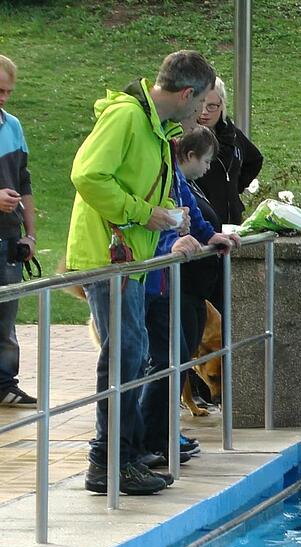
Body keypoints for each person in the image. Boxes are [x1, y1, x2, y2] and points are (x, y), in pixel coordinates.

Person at [67, 50, 216, 495]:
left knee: (133, 355)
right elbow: (87, 174)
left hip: (130, 260)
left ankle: (123, 454)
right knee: (125, 356)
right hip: (106, 258)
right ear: (187, 93)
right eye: (202, 102)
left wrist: (170, 218)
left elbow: (139, 188)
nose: (202, 113)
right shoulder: (127, 117)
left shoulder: (155, 130)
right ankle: (107, 461)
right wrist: (145, 213)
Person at [138, 124, 239, 466]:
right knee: (161, 362)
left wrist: (211, 235)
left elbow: (188, 212)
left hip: (176, 283)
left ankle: (160, 436)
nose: (209, 169)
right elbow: (160, 215)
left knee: (175, 359)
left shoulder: (178, 175)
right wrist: (172, 244)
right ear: (190, 155)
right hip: (157, 279)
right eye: (207, 162)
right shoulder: (158, 158)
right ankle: (146, 439)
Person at [0, 54, 37, 406]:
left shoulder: (13, 126)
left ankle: (5, 384)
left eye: (8, 92)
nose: (3, 98)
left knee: (7, 317)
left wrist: (31, 235)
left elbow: (25, 183)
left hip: (9, 238)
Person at [195, 77, 263, 227]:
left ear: (222, 106)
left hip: (232, 223)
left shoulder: (232, 134)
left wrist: (233, 188)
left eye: (212, 106)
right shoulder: (188, 137)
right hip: (202, 224)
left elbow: (255, 160)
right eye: (201, 105)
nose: (204, 112)